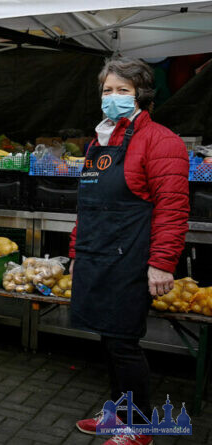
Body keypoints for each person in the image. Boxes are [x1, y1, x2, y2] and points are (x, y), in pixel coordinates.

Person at [70, 57, 189, 445]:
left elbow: (172, 208)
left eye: (123, 90)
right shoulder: (98, 141)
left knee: (123, 343)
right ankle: (117, 415)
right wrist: (76, 253)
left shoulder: (161, 141)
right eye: (108, 90)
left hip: (130, 259)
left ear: (141, 94)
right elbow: (87, 205)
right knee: (108, 339)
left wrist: (161, 264)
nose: (113, 97)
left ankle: (138, 429)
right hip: (96, 253)